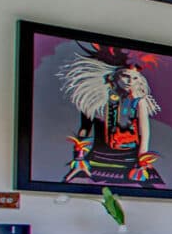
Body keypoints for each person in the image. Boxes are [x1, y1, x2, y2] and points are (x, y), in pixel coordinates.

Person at [58, 43, 163, 186]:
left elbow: (144, 134)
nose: (130, 82)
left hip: (130, 160)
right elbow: (84, 129)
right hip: (98, 158)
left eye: (135, 78)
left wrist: (141, 162)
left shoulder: (139, 101)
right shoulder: (95, 99)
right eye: (125, 76)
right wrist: (79, 157)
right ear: (113, 77)